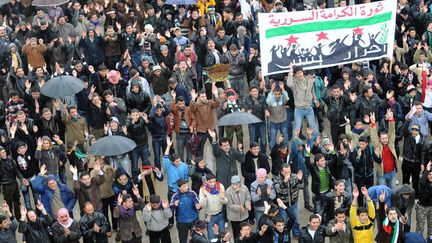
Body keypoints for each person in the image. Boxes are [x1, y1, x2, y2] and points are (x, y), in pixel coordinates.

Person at [273, 163, 303, 237]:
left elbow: (301, 186)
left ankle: (296, 233)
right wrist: (284, 182)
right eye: (286, 172)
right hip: (283, 205)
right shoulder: (276, 178)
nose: (288, 174)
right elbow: (278, 190)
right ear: (281, 171)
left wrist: (300, 180)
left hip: (293, 203)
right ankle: (284, 235)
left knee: (295, 220)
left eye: (289, 171)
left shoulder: (294, 176)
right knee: (284, 221)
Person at [170, 179, 201, 243]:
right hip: (182, 222)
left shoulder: (192, 193)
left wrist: (198, 206)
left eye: (187, 185)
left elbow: (198, 203)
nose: (186, 187)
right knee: (183, 240)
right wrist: (174, 205)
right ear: (179, 187)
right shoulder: (175, 196)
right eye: (184, 186)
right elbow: (170, 207)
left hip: (194, 220)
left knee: (196, 239)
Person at [199, 173, 228, 240]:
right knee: (211, 237)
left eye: (214, 181)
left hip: (220, 214)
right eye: (210, 182)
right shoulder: (203, 189)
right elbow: (203, 204)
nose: (212, 184)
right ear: (206, 182)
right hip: (210, 216)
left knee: (222, 235)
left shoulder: (220, 186)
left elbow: (225, 202)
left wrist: (223, 198)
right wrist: (204, 196)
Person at [225, 175, 251, 242]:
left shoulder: (244, 188)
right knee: (236, 233)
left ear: (240, 183)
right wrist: (239, 207)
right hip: (234, 218)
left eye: (236, 184)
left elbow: (248, 198)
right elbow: (230, 205)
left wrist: (247, 204)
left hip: (244, 215)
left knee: (246, 232)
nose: (234, 186)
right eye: (233, 184)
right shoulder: (228, 191)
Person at [416, 161, 432, 236]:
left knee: (431, 228)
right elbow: (421, 182)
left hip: (431, 207)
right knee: (420, 228)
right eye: (429, 174)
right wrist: (427, 169)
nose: (430, 176)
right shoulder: (423, 182)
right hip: (422, 207)